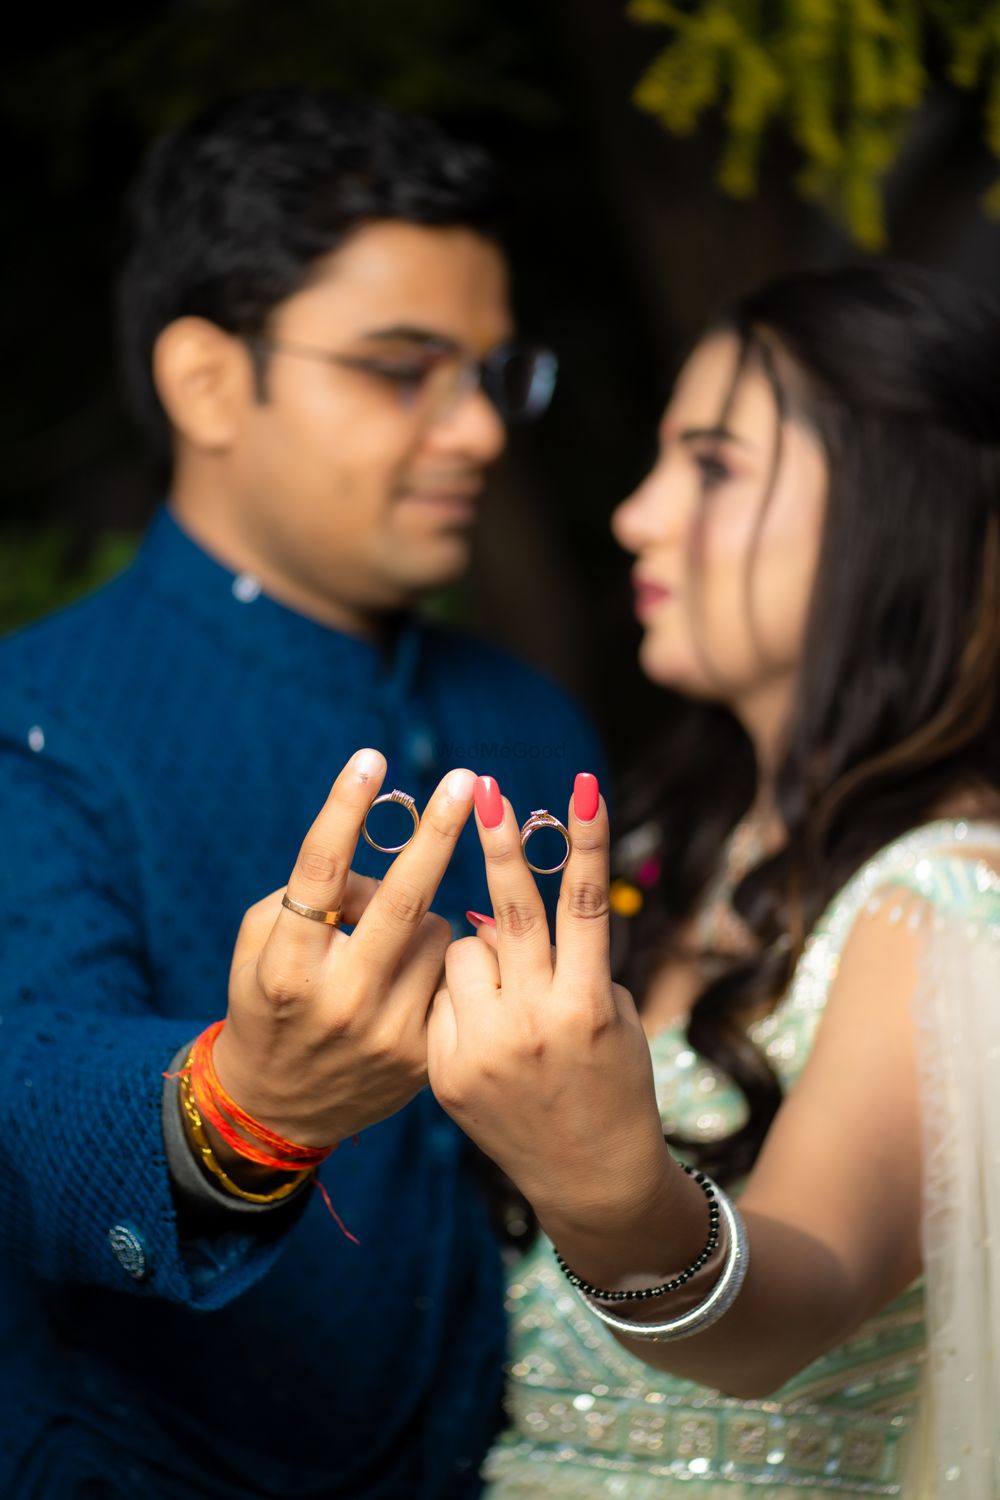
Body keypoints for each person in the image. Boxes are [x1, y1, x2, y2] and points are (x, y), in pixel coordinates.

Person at [0, 88, 605, 1498]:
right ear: (210, 381)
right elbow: (21, 1087)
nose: (474, 435)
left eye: (495, 375)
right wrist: (244, 1103)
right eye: (405, 369)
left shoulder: (526, 714)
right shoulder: (36, 719)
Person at [424, 264, 1000, 1497]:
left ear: (899, 507)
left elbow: (786, 1310)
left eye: (715, 465)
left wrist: (611, 1190)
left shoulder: (952, 898)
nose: (636, 515)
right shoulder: (666, 851)